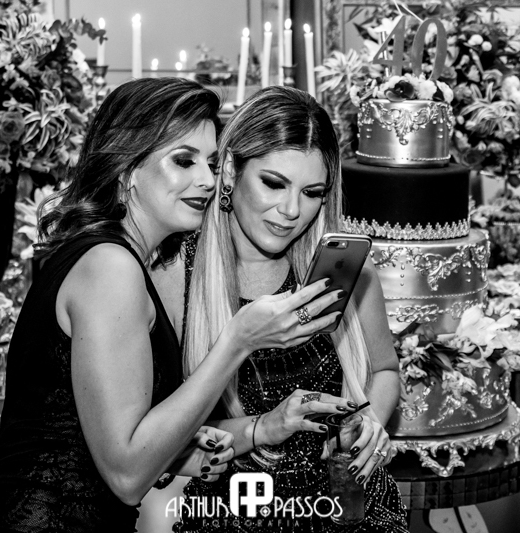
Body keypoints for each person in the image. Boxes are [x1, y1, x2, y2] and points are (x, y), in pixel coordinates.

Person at [0, 78, 341, 533]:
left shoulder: (116, 258)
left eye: (211, 163)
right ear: (127, 169)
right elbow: (127, 475)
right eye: (183, 160)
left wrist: (244, 433)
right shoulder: (111, 266)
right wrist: (237, 341)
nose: (207, 180)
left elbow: (107, 439)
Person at [162, 86, 408, 532]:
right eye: (273, 183)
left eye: (312, 192)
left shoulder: (344, 268)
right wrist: (264, 425)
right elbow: (159, 439)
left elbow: (385, 369)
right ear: (230, 169)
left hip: (348, 507)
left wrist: (368, 421)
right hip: (234, 514)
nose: (292, 210)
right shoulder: (177, 273)